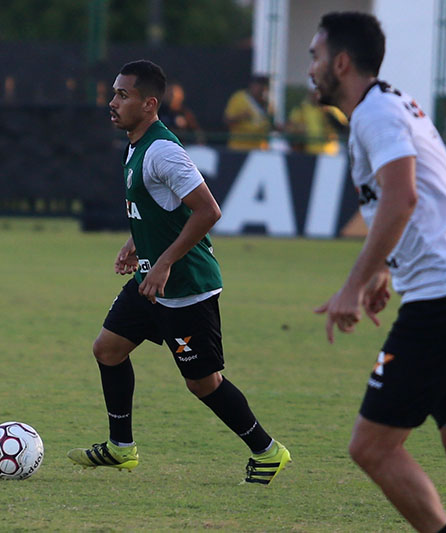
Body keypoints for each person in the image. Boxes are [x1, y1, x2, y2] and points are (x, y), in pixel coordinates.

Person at [309, 12, 446, 533]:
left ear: (341, 62)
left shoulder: (376, 116)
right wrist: (381, 274)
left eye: (314, 57)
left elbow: (404, 197)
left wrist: (354, 285)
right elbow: (402, 204)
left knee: (372, 448)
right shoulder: (388, 106)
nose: (310, 69)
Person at [66, 60, 291, 485]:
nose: (112, 102)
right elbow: (160, 207)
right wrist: (137, 243)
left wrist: (165, 261)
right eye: (113, 93)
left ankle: (267, 450)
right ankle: (121, 448)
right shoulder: (136, 143)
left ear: (149, 104)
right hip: (151, 281)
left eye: (122, 96)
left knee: (203, 383)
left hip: (185, 287)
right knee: (108, 349)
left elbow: (208, 210)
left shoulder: (163, 150)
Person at [286, 88, 347, 155]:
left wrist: (328, 114)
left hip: (329, 153)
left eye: (318, 93)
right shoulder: (302, 109)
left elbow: (343, 128)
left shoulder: (332, 108)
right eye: (313, 94)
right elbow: (291, 127)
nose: (316, 96)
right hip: (309, 153)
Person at [223, 74, 271, 151]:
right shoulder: (239, 98)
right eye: (258, 85)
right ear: (252, 85)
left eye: (263, 85)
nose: (261, 88)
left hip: (259, 149)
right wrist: (241, 117)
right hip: (239, 148)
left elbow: (267, 125)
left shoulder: (265, 103)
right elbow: (227, 121)